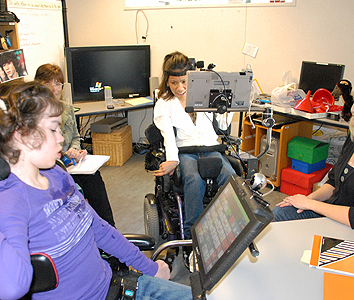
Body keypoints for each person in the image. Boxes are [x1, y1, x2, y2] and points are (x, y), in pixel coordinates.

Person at [0, 81, 192, 300]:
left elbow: (99, 228)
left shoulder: (56, 173)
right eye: (53, 129)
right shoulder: (10, 201)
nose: (61, 138)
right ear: (20, 135)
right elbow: (13, 286)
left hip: (111, 287)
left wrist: (150, 267)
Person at [273, 75, 354, 230]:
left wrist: (310, 204)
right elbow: (333, 183)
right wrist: (304, 200)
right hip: (334, 213)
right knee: (279, 213)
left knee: (280, 218)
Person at [153, 51, 236, 238]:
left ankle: (231, 225)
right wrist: (172, 160)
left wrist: (228, 105)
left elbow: (222, 125)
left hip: (210, 148)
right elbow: (168, 135)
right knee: (193, 179)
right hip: (185, 152)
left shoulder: (205, 95)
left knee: (231, 179)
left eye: (184, 81)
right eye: (174, 82)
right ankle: (194, 234)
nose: (180, 87)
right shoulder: (164, 104)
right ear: (167, 81)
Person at [34, 64, 115, 227]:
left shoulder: (67, 108)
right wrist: (65, 154)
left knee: (94, 178)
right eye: (49, 83)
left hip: (72, 163)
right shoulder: (35, 113)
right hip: (54, 167)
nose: (54, 88)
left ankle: (109, 228)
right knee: (74, 188)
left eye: (58, 84)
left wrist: (75, 150)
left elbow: (76, 137)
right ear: (39, 86)